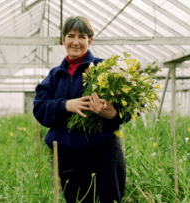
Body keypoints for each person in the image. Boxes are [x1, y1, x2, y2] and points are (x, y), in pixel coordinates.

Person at [33, 16, 129, 203]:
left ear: (90, 41)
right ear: (63, 39)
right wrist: (66, 105)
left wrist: (113, 113)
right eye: (71, 36)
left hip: (104, 156)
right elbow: (39, 108)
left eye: (82, 36)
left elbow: (130, 107)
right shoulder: (55, 76)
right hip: (68, 158)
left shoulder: (105, 69)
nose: (76, 42)